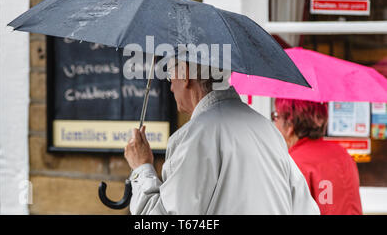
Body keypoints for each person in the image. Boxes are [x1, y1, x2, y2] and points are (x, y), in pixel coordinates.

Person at [124, 59, 319, 214]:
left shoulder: (194, 136)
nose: (171, 87)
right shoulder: (269, 131)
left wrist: (142, 169)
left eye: (170, 76)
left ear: (185, 77)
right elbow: (306, 209)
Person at [272, 98, 363, 215]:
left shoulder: (293, 162)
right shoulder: (342, 154)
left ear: (290, 124)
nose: (274, 123)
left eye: (276, 116)